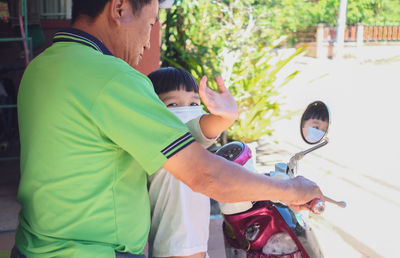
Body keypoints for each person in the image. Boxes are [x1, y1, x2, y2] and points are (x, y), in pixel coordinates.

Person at [13, 0, 324, 257]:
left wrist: (215, 122)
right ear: (119, 8)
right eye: (150, 23)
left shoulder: (41, 68)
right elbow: (205, 174)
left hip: (33, 246)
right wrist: (288, 190)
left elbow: (149, 135)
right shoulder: (111, 77)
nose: (149, 40)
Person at [147, 67, 234, 258]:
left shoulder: (188, 144)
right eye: (172, 105)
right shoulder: (166, 138)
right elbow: (203, 128)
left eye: (194, 103)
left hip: (195, 249)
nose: (186, 110)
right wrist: (227, 116)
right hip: (175, 250)